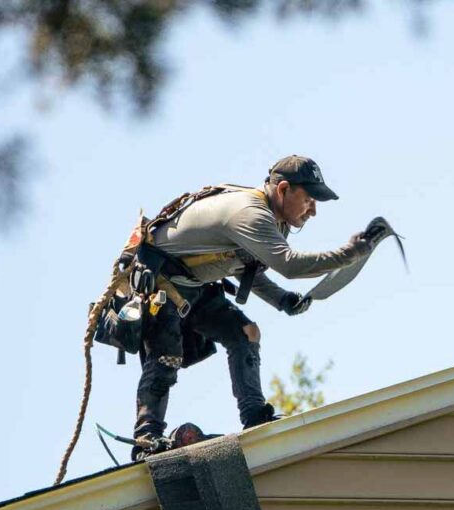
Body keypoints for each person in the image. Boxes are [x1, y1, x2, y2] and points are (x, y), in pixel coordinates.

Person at [131, 155, 377, 460]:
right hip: (161, 283)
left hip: (193, 286)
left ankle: (255, 417)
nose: (313, 210)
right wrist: (349, 253)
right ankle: (147, 438)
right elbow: (290, 265)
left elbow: (245, 268)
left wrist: (282, 299)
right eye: (309, 199)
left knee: (247, 333)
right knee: (167, 357)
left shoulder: (277, 220)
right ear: (284, 189)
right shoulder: (250, 213)